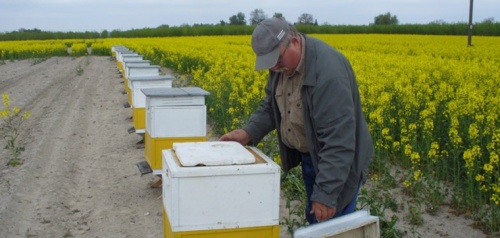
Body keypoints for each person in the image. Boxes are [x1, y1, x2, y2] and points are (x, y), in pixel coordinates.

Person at [219, 17, 374, 225]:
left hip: (339, 164)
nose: (274, 67)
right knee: (315, 221)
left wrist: (326, 194)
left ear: (293, 41)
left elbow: (339, 141)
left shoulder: (328, 74)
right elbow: (272, 105)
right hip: (312, 157)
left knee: (333, 225)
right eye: (270, 63)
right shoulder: (282, 67)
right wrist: (249, 132)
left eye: (278, 59)